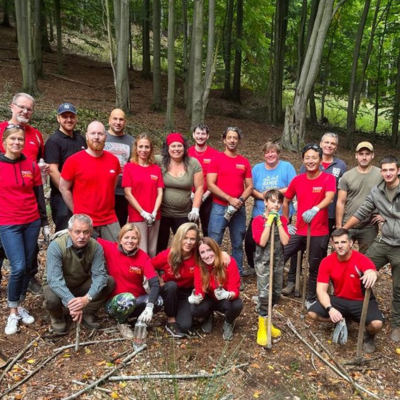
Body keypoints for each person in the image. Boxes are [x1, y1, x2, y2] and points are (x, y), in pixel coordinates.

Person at [344, 155, 400, 343]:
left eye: (392, 169)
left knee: (398, 287)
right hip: (384, 241)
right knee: (358, 271)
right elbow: (362, 211)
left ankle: (397, 324)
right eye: (384, 170)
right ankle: (362, 311)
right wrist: (343, 229)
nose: (388, 173)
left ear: (398, 170)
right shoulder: (377, 191)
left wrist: (389, 219)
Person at [0, 125, 49, 335]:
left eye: (20, 139)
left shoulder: (31, 166)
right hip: (8, 224)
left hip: (31, 222)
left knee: (28, 266)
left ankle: (20, 306)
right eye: (13, 139)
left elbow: (39, 196)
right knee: (18, 266)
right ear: (4, 142)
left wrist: (45, 223)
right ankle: (12, 312)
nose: (17, 143)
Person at [0, 93, 49, 295]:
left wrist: (42, 169)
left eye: (29, 109)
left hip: (28, 203)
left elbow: (40, 161)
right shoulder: (1, 129)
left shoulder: (36, 134)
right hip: (5, 205)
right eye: (21, 107)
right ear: (12, 106)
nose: (25, 111)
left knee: (29, 253)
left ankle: (27, 280)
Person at [307, 229, 383, 353]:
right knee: (312, 314)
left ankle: (369, 337)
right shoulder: (327, 262)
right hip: (339, 300)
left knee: (376, 325)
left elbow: (371, 271)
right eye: (336, 243)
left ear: (351, 243)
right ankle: (341, 319)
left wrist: (372, 273)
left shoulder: (361, 259)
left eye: (343, 242)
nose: (340, 246)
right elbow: (321, 290)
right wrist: (330, 309)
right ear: (332, 243)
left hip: (361, 301)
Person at [281, 144, 336, 306]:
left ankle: (311, 298)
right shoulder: (298, 180)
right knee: (280, 255)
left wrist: (316, 208)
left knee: (315, 266)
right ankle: (272, 291)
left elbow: (330, 197)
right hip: (299, 230)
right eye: (307, 158)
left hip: (318, 231)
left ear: (320, 160)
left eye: (314, 158)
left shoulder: (328, 178)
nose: (310, 161)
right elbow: (286, 200)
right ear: (303, 160)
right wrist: (286, 222)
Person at [43, 214, 115, 332]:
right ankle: (57, 316)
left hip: (81, 283)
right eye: (77, 232)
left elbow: (100, 276)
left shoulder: (96, 247)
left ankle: (87, 311)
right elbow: (54, 280)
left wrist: (87, 299)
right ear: (70, 231)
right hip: (58, 285)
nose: (82, 236)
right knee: (52, 299)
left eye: (86, 232)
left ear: (91, 232)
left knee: (108, 282)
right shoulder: (56, 246)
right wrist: (73, 303)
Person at [60, 121, 121, 241]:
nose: (96, 137)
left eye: (100, 134)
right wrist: (76, 212)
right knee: (85, 257)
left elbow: (111, 186)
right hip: (84, 220)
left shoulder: (113, 161)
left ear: (106, 137)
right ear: (87, 136)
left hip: (109, 218)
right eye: (93, 133)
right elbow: (63, 187)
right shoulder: (74, 161)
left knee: (116, 253)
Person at [98, 223, 162, 339]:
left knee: (158, 301)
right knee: (128, 299)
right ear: (120, 239)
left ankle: (139, 321)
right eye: (126, 237)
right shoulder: (110, 248)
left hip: (136, 300)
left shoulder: (143, 257)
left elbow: (155, 283)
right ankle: (121, 323)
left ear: (138, 241)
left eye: (134, 238)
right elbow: (89, 236)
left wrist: (149, 307)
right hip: (115, 303)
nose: (130, 241)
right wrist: (67, 231)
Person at [207, 127, 253, 282]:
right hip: (219, 208)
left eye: (235, 138)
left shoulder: (244, 161)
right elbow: (210, 184)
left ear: (238, 140)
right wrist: (229, 198)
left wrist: (239, 201)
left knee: (238, 243)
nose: (232, 140)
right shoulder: (217, 159)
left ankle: (236, 277)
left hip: (238, 209)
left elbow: (250, 186)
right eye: (229, 137)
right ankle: (212, 276)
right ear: (224, 139)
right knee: (214, 242)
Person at [245, 141, 296, 273]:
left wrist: (274, 194)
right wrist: (264, 197)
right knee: (251, 241)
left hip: (281, 212)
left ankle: (276, 268)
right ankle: (255, 266)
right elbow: (251, 188)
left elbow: (293, 186)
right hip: (259, 213)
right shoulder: (257, 168)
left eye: (273, 151)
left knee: (279, 243)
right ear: (263, 154)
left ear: (278, 153)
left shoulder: (287, 167)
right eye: (267, 152)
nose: (270, 154)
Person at [252, 189, 290, 346]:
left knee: (275, 293)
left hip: (278, 262)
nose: (276, 204)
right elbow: (261, 241)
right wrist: (269, 223)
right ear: (265, 202)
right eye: (272, 201)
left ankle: (269, 323)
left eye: (279, 202)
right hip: (263, 263)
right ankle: (262, 328)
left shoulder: (282, 220)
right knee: (264, 294)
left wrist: (279, 222)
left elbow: (285, 241)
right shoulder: (257, 221)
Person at [155, 133, 203, 253]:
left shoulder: (193, 163)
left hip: (184, 213)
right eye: (173, 146)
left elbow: (199, 187)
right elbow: (141, 159)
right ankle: (159, 268)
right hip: (162, 212)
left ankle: (185, 268)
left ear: (184, 148)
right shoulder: (159, 161)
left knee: (186, 244)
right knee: (160, 243)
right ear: (168, 148)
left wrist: (195, 209)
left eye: (179, 146)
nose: (176, 149)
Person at [190, 237, 243, 341]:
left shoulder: (228, 262)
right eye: (203, 252)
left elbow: (235, 289)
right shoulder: (199, 266)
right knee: (195, 309)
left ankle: (228, 322)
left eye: (209, 250)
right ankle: (208, 315)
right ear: (199, 255)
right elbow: (199, 286)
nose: (207, 255)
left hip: (223, 299)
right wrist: (197, 297)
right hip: (209, 298)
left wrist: (227, 294)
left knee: (237, 305)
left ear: (215, 249)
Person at [151, 222, 199, 337]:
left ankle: (183, 312)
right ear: (179, 238)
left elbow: (212, 255)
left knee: (185, 326)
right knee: (172, 285)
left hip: (186, 293)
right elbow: (148, 265)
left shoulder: (197, 255)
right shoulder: (168, 255)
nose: (188, 242)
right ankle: (170, 320)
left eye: (192, 239)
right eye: (185, 238)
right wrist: (159, 280)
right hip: (169, 291)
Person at [44, 103, 87, 232]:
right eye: (64, 116)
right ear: (58, 118)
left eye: (71, 116)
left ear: (76, 118)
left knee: (83, 233)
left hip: (82, 195)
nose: (68, 120)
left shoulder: (81, 139)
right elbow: (53, 170)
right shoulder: (54, 141)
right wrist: (66, 192)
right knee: (65, 233)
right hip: (62, 198)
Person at [336, 141, 383, 254]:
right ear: (356, 155)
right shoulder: (347, 176)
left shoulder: (381, 174)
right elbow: (341, 202)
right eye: (361, 154)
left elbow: (390, 195)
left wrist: (384, 214)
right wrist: (339, 226)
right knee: (340, 254)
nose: (364, 157)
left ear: (372, 155)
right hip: (348, 223)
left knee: (367, 258)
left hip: (369, 226)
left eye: (367, 154)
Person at [122, 134, 164, 257]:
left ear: (151, 149)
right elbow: (128, 194)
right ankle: (140, 274)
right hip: (137, 215)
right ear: (136, 148)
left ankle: (150, 274)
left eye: (147, 147)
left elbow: (160, 193)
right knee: (141, 249)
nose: (143, 150)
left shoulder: (156, 169)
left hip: (155, 215)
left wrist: (155, 212)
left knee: (152, 249)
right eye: (140, 146)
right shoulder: (129, 167)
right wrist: (143, 212)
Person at [300, 133, 346, 234]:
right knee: (304, 242)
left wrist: (338, 220)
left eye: (333, 143)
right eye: (326, 142)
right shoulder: (309, 162)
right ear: (321, 144)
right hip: (308, 210)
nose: (329, 145)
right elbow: (301, 186)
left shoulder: (341, 165)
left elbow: (341, 191)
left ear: (336, 147)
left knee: (321, 245)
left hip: (329, 212)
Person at [188, 124, 219, 237]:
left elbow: (217, 178)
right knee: (191, 228)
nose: (200, 136)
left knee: (208, 229)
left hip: (208, 197)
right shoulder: (187, 153)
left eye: (203, 134)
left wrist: (205, 195)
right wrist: (191, 194)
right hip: (189, 197)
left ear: (208, 136)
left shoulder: (215, 155)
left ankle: (208, 252)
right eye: (198, 133)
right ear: (193, 135)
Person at [105, 109, 135, 227]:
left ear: (125, 122)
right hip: (104, 190)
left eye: (121, 119)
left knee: (120, 226)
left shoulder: (132, 141)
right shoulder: (101, 137)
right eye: (115, 119)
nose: (118, 122)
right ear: (109, 120)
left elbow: (134, 165)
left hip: (123, 192)